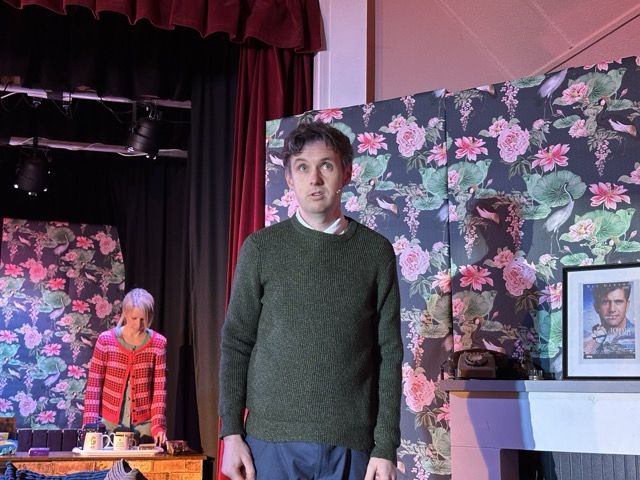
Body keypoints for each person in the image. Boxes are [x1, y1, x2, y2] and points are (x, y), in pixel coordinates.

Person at [219, 121, 403, 480]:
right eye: (302, 167)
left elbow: (389, 354)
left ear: (346, 173)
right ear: (289, 178)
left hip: (351, 445)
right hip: (270, 443)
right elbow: (237, 342)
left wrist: (385, 447)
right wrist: (231, 433)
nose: (314, 179)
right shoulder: (261, 249)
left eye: (326, 166)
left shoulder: (375, 252)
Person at [82, 288, 168, 446]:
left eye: (143, 319)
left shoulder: (158, 343)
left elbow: (159, 390)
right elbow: (94, 386)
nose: (138, 324)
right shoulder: (106, 341)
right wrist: (89, 426)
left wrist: (158, 425)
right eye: (134, 318)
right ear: (125, 313)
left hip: (144, 426)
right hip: (109, 425)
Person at [584, 282, 635, 357]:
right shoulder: (585, 339)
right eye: (605, 302)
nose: (612, 309)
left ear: (627, 305)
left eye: (618, 302)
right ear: (596, 307)